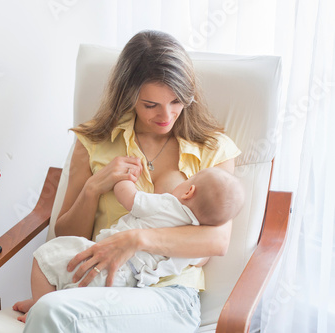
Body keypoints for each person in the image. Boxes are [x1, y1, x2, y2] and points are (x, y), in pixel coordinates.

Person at [17, 30, 242, 333]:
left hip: (169, 294)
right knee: (54, 309)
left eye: (177, 101)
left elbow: (216, 241)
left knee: (51, 312)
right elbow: (64, 234)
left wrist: (135, 240)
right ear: (128, 95)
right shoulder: (95, 141)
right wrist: (94, 187)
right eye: (151, 105)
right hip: (97, 286)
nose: (167, 115)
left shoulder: (213, 149)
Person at [14, 167, 244, 322]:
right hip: (131, 286)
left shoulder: (167, 205)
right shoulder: (193, 240)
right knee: (77, 298)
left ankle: (38, 305)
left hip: (105, 263)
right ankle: (46, 308)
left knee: (46, 255)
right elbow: (201, 259)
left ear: (188, 190)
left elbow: (130, 198)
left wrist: (124, 178)